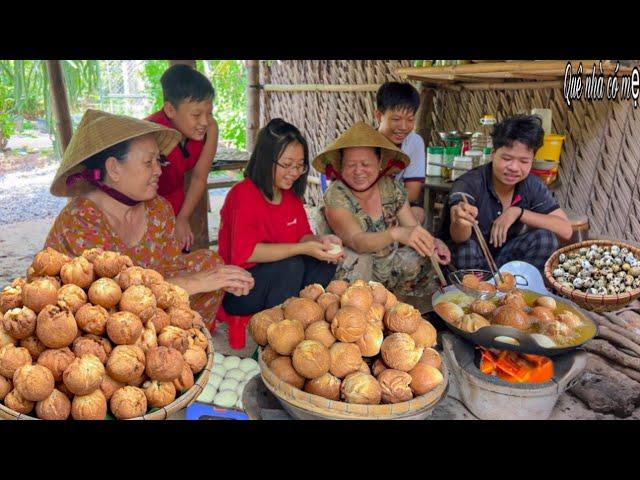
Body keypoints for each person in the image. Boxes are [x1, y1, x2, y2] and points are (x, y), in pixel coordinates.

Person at [45, 109, 254, 328]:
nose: (158, 171)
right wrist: (197, 282)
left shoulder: (158, 209)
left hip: (150, 301)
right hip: (91, 321)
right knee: (202, 278)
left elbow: (169, 268)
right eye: (148, 163)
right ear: (114, 168)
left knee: (209, 263)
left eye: (159, 161)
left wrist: (217, 278)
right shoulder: (80, 219)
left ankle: (179, 341)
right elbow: (109, 298)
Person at [218, 118, 343, 316]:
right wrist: (303, 248)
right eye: (287, 164)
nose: (294, 172)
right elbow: (247, 253)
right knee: (291, 266)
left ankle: (303, 317)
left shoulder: (290, 196)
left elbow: (303, 235)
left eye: (300, 166)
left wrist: (321, 242)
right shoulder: (242, 194)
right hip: (240, 289)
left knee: (324, 263)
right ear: (266, 160)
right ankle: (277, 330)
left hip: (280, 277)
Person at [314, 122, 450, 294]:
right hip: (353, 273)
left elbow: (412, 227)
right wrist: (396, 233)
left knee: (424, 255)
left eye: (365, 164)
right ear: (341, 165)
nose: (358, 171)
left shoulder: (390, 187)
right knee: (360, 260)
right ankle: (353, 313)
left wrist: (432, 242)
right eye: (350, 165)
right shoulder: (336, 195)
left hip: (386, 265)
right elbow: (357, 241)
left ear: (379, 162)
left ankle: (406, 307)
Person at [439, 114, 572, 272]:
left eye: (524, 161)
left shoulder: (531, 184)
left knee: (545, 239)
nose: (514, 167)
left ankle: (517, 291)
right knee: (465, 248)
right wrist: (461, 221)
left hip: (504, 260)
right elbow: (459, 237)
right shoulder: (469, 183)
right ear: (493, 154)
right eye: (507, 158)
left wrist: (518, 212)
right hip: (468, 263)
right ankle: (477, 295)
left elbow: (566, 230)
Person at [146, 64, 219, 251]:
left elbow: (199, 177)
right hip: (145, 209)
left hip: (178, 205)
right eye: (196, 114)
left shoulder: (210, 128)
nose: (204, 121)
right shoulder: (150, 132)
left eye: (209, 113)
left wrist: (182, 219)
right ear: (170, 110)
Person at [375, 81, 426, 225]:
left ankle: (391, 241)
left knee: (418, 213)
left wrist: (387, 208)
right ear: (379, 116)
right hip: (364, 204)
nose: (403, 127)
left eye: (410, 119)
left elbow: (413, 191)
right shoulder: (364, 142)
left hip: (395, 205)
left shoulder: (414, 142)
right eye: (396, 119)